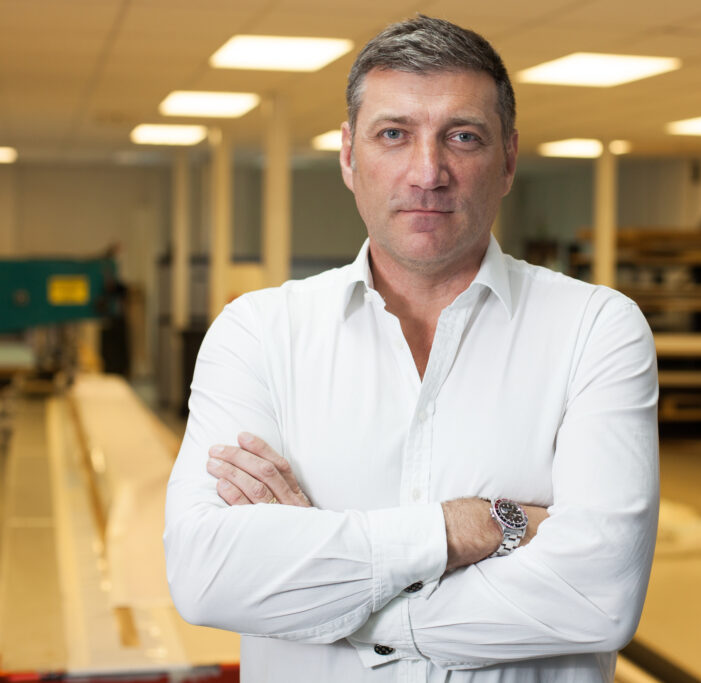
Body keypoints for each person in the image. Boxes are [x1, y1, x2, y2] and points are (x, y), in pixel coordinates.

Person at [164, 15, 659, 682]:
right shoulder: (258, 332)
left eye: (463, 136)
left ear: (508, 159)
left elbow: (597, 594)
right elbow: (207, 574)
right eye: (393, 134)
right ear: (348, 155)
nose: (428, 172)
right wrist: (462, 528)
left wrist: (335, 589)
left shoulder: (595, 329)